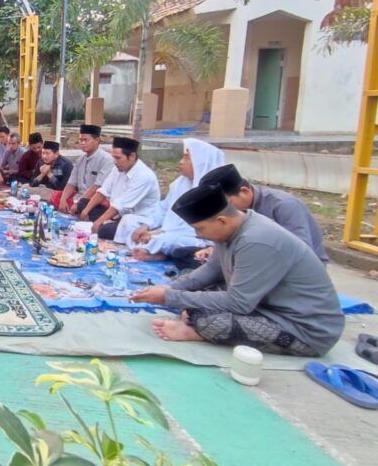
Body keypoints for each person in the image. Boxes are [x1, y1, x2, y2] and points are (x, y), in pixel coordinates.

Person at [131, 185, 344, 357]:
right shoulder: (233, 229)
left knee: (206, 320)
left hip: (303, 328)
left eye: (200, 229)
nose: (199, 235)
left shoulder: (256, 240)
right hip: (264, 305)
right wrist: (171, 289)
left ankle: (196, 331)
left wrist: (170, 297)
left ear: (222, 220)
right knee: (188, 282)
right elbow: (213, 268)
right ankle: (192, 318)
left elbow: (238, 303)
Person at [199, 164, 329, 263]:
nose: (225, 211)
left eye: (229, 204)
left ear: (244, 191)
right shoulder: (235, 212)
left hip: (297, 270)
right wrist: (215, 250)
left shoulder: (284, 205)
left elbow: (302, 251)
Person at [122, 139, 225, 263]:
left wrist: (156, 233)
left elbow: (196, 230)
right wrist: (146, 226)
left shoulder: (209, 191)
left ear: (199, 162)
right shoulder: (179, 184)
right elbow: (163, 209)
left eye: (186, 159)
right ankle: (149, 249)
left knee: (167, 240)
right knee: (130, 221)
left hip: (192, 238)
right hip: (167, 229)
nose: (181, 162)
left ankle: (157, 253)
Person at [84, 137, 160, 240]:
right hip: (117, 214)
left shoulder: (144, 176)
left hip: (136, 219)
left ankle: (106, 225)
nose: (115, 162)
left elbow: (122, 205)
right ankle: (105, 223)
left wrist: (98, 222)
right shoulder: (118, 168)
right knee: (83, 204)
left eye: (118, 158)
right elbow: (104, 190)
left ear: (132, 156)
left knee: (105, 230)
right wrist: (85, 211)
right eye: (113, 157)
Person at [57, 124, 114, 216]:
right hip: (78, 197)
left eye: (85, 140)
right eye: (80, 140)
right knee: (57, 196)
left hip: (95, 200)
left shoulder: (107, 160)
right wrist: (63, 200)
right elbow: (71, 183)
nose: (82, 143)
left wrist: (78, 203)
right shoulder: (80, 160)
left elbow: (97, 187)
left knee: (84, 206)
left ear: (97, 140)